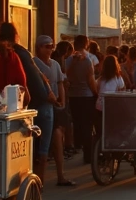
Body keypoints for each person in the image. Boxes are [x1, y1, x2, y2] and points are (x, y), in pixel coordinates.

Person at [0, 23, 50, 171]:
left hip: (0, 107)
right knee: (39, 146)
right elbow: (29, 85)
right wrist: (45, 94)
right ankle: (37, 183)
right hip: (26, 106)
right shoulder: (18, 54)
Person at [34, 36, 73, 186]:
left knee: (58, 139)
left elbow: (60, 83)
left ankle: (60, 174)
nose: (50, 49)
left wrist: (62, 100)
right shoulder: (35, 63)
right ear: (39, 48)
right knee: (41, 143)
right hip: (41, 105)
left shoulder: (55, 64)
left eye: (52, 46)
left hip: (56, 105)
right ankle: (39, 177)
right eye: (46, 46)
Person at [67, 36, 99, 164]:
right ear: (86, 44)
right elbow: (91, 80)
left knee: (77, 122)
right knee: (87, 125)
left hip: (73, 95)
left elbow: (66, 75)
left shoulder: (69, 60)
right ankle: (88, 154)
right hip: (86, 95)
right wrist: (96, 93)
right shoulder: (88, 60)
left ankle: (77, 145)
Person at [95, 56, 126, 161]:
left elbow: (97, 90)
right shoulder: (118, 78)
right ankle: (117, 151)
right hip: (113, 108)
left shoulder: (100, 79)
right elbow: (122, 91)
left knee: (101, 131)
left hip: (100, 108)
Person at [52, 41, 76, 158]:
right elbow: (62, 79)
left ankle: (61, 146)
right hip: (61, 95)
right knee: (64, 121)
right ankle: (66, 145)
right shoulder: (59, 61)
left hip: (56, 95)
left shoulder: (56, 59)